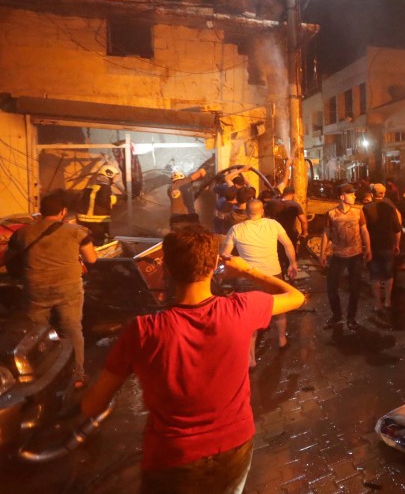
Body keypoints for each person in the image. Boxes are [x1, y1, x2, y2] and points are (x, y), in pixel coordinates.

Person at [81, 225, 304, 493]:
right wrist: (248, 270)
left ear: (168, 269)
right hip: (234, 447)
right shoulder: (241, 309)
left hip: (173, 457)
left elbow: (93, 406)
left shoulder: (143, 330)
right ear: (212, 267)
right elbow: (296, 297)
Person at [2, 191, 97, 387]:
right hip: (68, 289)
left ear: (40, 211)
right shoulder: (77, 232)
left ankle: (41, 376)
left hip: (35, 289)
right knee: (72, 329)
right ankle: (77, 376)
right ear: (63, 212)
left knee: (39, 334)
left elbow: (9, 258)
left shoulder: (23, 233)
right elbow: (92, 259)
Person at [222, 200, 298, 366]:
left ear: (246, 212)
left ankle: (250, 359)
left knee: (250, 317)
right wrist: (293, 263)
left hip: (248, 278)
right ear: (262, 211)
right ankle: (282, 340)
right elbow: (288, 244)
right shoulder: (273, 224)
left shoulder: (236, 229)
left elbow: (225, 254)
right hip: (272, 275)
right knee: (279, 309)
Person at [320, 183, 371, 330]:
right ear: (342, 197)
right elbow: (326, 234)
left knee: (354, 288)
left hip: (355, 255)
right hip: (338, 255)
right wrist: (322, 253)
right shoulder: (331, 214)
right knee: (331, 287)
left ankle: (351, 318)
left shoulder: (358, 212)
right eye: (351, 194)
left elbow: (364, 231)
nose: (355, 196)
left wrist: (368, 248)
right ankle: (337, 316)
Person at [363, 183, 402, 313]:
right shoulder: (390, 208)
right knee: (388, 273)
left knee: (375, 275)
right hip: (388, 245)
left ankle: (377, 304)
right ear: (384, 194)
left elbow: (362, 230)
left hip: (373, 246)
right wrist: (397, 244)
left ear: (372, 194)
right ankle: (388, 300)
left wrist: (365, 247)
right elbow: (397, 229)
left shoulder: (366, 208)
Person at [78, 163, 120, 245]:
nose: (114, 179)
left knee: (90, 240)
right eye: (114, 176)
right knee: (102, 240)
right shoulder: (105, 187)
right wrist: (116, 199)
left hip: (85, 219)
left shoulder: (92, 186)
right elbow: (103, 201)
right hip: (97, 220)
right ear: (109, 175)